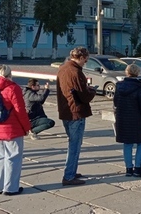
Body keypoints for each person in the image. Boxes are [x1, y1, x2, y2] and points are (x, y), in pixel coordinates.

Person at [0, 65, 31, 196]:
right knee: (13, 158)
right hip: (11, 129)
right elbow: (20, 111)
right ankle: (10, 188)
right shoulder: (13, 88)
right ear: (10, 74)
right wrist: (26, 128)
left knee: (0, 158)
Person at [56, 47, 96, 186]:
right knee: (75, 145)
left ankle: (71, 171)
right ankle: (69, 176)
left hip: (65, 111)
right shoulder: (76, 72)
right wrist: (92, 92)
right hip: (76, 112)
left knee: (73, 143)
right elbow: (84, 97)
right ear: (81, 57)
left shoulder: (63, 68)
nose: (86, 62)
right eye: (86, 59)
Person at [113, 64, 141, 177]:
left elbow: (115, 103)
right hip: (137, 120)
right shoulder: (139, 88)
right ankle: (138, 167)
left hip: (123, 119)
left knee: (127, 144)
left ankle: (128, 168)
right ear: (138, 73)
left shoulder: (119, 86)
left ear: (127, 72)